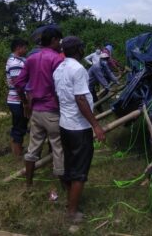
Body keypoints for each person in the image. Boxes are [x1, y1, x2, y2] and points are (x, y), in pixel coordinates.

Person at [53, 36, 106, 222]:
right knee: (80, 171)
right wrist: (96, 125)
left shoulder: (59, 68)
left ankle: (70, 202)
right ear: (78, 49)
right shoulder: (78, 69)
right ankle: (72, 213)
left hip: (65, 125)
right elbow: (81, 99)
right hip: (78, 127)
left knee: (70, 165)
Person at [14, 27, 65, 188]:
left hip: (36, 110)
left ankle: (29, 183)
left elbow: (18, 84)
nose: (60, 44)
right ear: (54, 40)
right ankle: (64, 186)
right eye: (59, 41)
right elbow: (60, 87)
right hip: (53, 110)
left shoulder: (31, 59)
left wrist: (25, 103)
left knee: (33, 148)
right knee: (58, 147)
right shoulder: (57, 59)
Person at [5, 38, 29, 156]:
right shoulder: (15, 63)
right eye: (25, 47)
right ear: (18, 48)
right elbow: (18, 85)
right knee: (19, 126)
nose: (26, 50)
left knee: (21, 124)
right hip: (17, 100)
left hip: (18, 99)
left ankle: (17, 148)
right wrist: (24, 102)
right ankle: (17, 152)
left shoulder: (21, 60)